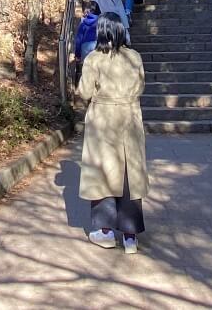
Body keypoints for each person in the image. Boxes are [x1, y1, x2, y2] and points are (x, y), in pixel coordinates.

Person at [78, 16, 148, 253]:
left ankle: (105, 232)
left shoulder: (94, 59)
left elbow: (84, 92)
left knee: (103, 175)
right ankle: (130, 237)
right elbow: (141, 87)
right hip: (129, 117)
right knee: (129, 176)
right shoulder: (134, 57)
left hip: (103, 120)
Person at [73, 1, 101, 85]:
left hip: (85, 46)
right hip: (98, 45)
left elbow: (78, 40)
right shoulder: (101, 21)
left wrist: (77, 55)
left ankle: (87, 88)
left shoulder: (83, 23)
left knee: (87, 69)